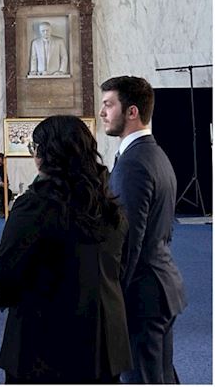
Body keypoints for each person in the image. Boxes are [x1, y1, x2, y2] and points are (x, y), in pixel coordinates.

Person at [0, 115, 130, 383]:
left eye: (34, 148)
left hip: (43, 343)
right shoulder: (110, 206)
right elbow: (121, 267)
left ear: (45, 155)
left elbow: (7, 275)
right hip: (103, 341)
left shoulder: (33, 207)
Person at [100, 76, 187, 383]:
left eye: (109, 105)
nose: (102, 113)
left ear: (132, 111)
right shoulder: (154, 153)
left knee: (143, 379)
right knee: (159, 376)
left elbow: (128, 239)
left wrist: (113, 298)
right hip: (159, 287)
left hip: (142, 295)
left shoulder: (133, 163)